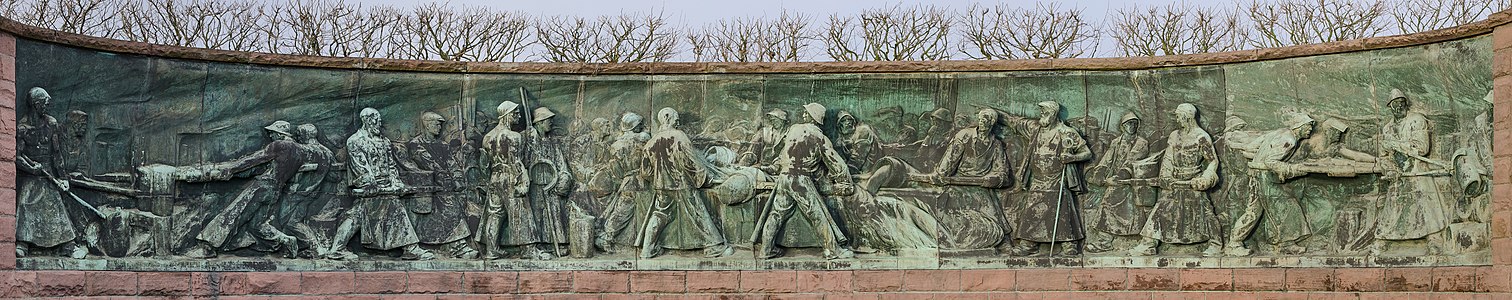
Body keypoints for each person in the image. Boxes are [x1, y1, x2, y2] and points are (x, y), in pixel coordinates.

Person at [755, 103, 857, 259]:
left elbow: (784, 154)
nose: (803, 115)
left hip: (784, 178)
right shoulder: (819, 137)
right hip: (800, 180)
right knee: (817, 214)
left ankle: (766, 250)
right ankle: (833, 250)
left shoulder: (794, 129)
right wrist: (846, 182)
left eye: (806, 113)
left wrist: (775, 167)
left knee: (776, 214)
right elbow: (836, 163)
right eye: (804, 112)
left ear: (812, 117)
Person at [637, 108, 735, 258]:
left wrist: (658, 178)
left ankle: (647, 250)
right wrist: (706, 179)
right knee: (698, 213)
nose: (678, 122)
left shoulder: (650, 143)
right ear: (667, 118)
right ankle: (713, 247)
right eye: (676, 119)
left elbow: (645, 172)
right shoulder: (679, 136)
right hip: (681, 184)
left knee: (659, 215)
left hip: (660, 186)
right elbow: (690, 162)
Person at [1001, 101, 1092, 257]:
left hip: (1058, 177)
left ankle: (1069, 243)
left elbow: (1087, 153)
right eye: (1040, 112)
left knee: (1062, 209)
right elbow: (1014, 122)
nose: (1041, 115)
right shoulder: (1035, 129)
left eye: (1044, 112)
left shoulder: (1066, 132)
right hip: (1038, 178)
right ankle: (1029, 243)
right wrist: (998, 115)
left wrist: (1072, 157)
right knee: (1033, 208)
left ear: (1053, 114)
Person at [1129, 104, 1222, 257]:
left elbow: (1212, 161)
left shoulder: (1201, 136)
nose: (1177, 120)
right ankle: (1148, 243)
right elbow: (1168, 157)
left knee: (1205, 211)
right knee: (1161, 208)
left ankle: (1216, 244)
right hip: (1175, 180)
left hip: (1193, 180)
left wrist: (1206, 176)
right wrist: (1165, 176)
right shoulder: (1174, 135)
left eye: (1179, 116)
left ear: (1187, 117)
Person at [347, 108, 434, 260]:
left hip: (388, 188)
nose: (379, 123)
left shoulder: (385, 141)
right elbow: (360, 167)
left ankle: (408, 247)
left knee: (396, 209)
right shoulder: (355, 141)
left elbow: (391, 166)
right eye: (376, 119)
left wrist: (396, 183)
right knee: (358, 217)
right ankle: (410, 248)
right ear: (367, 120)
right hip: (371, 189)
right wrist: (371, 185)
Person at [1225, 111, 1316, 256]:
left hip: (1258, 175)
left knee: (1258, 211)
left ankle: (1284, 243)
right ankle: (1235, 244)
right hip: (1264, 177)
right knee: (1287, 206)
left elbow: (1253, 147)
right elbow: (1271, 161)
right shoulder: (1289, 140)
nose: (1310, 129)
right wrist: (1292, 169)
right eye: (1308, 126)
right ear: (1299, 127)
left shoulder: (1281, 132)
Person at [1374, 89, 1449, 254]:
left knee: (1425, 205)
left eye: (1402, 103)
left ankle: (1434, 239)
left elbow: (1422, 148)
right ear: (1390, 107)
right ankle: (1384, 238)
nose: (1399, 107)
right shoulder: (1387, 129)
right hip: (1398, 174)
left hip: (1417, 170)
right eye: (1395, 104)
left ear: (1406, 104)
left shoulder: (1416, 120)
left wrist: (1395, 145)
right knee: (1393, 207)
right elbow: (1384, 155)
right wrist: (1389, 168)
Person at [15, 87, 87, 259]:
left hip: (48, 174)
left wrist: (63, 178)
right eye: (45, 103)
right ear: (36, 104)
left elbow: (56, 154)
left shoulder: (51, 124)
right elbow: (17, 157)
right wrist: (31, 168)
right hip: (31, 176)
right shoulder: (22, 128)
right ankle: (22, 244)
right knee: (25, 203)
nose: (47, 106)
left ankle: (68, 246)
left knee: (55, 205)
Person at [926, 108, 1011, 250]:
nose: (983, 122)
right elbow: (949, 161)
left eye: (987, 119)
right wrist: (941, 174)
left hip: (980, 188)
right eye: (981, 118)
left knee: (993, 215)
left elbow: (1002, 172)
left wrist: (993, 178)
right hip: (957, 185)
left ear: (992, 123)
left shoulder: (996, 145)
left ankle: (1001, 241)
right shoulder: (964, 135)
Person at [406, 112, 479, 259]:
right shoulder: (416, 144)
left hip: (444, 188)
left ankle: (457, 245)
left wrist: (458, 178)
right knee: (447, 211)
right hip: (426, 188)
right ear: (427, 124)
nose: (440, 127)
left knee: (455, 210)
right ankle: (454, 246)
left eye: (441, 124)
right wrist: (447, 179)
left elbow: (452, 164)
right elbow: (427, 163)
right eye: (437, 124)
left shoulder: (442, 144)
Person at [1085, 112, 1152, 253]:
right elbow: (1107, 159)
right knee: (1107, 203)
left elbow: (1132, 160)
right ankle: (1105, 240)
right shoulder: (1116, 142)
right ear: (1122, 127)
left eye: (1134, 123)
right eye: (1128, 123)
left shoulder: (1141, 142)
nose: (1132, 126)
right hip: (1116, 181)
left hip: (1131, 181)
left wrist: (1120, 176)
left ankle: (1134, 240)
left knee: (1126, 207)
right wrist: (1100, 173)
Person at [479, 101, 530, 259]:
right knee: (520, 212)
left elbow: (484, 164)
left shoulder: (487, 138)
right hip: (510, 177)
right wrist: (524, 180)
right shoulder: (514, 136)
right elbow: (516, 161)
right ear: (507, 115)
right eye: (516, 114)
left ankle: (491, 250)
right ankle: (528, 250)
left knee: (494, 214)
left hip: (494, 178)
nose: (519, 116)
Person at [523, 107, 575, 259]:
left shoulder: (553, 143)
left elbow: (562, 165)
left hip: (552, 185)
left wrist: (564, 179)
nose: (551, 122)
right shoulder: (528, 140)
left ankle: (555, 243)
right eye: (548, 120)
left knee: (555, 213)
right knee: (536, 215)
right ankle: (537, 245)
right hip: (534, 185)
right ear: (539, 122)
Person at [596, 112, 652, 252]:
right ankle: (607, 238)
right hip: (643, 181)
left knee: (623, 210)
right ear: (635, 126)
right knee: (633, 210)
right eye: (639, 124)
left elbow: (616, 170)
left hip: (627, 181)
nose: (641, 127)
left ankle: (609, 237)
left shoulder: (616, 145)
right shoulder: (643, 139)